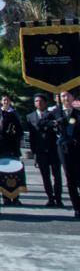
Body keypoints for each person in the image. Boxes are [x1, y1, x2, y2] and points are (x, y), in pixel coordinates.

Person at [28, 93, 64, 208]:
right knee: (45, 176)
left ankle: (58, 198)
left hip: (53, 149)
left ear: (45, 102)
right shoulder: (30, 116)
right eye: (36, 101)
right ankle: (50, 198)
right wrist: (34, 153)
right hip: (40, 150)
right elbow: (32, 136)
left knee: (57, 175)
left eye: (40, 101)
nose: (38, 103)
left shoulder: (52, 114)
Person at [52, 90, 80, 219]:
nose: (65, 98)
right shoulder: (56, 112)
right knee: (70, 178)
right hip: (63, 148)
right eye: (63, 95)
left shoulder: (77, 112)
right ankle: (77, 207)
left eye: (68, 95)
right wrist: (55, 122)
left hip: (77, 147)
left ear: (72, 97)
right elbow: (42, 124)